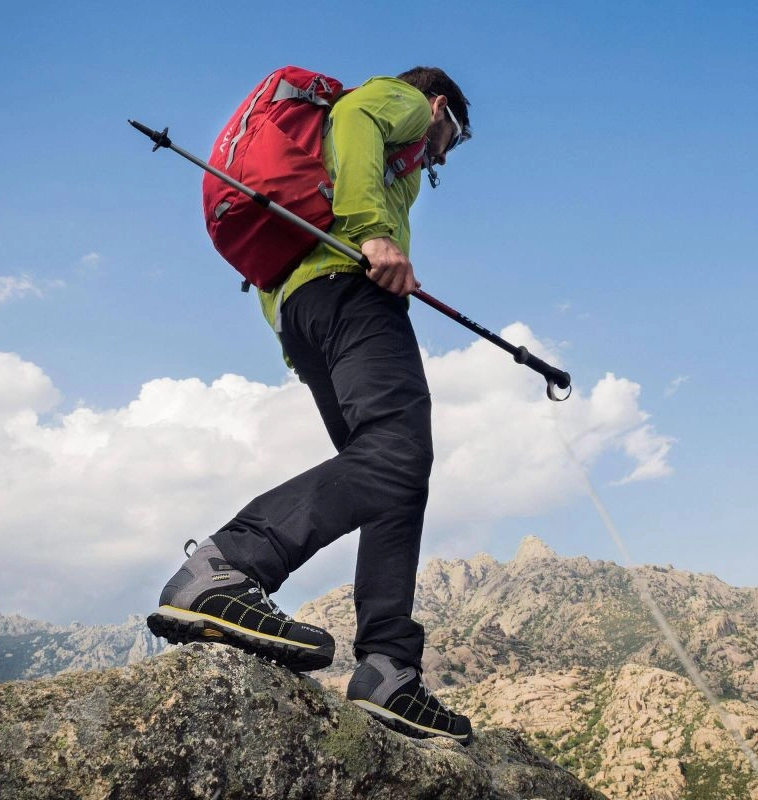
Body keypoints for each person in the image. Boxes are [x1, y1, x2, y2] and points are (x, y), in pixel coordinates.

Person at [148, 66, 473, 745]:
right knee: (397, 452)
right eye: (455, 136)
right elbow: (358, 116)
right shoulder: (403, 102)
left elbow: (284, 253)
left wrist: (299, 345)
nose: (445, 152)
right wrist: (374, 233)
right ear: (441, 106)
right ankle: (227, 565)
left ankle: (387, 670)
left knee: (391, 480)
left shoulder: (341, 164)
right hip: (353, 295)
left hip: (306, 312)